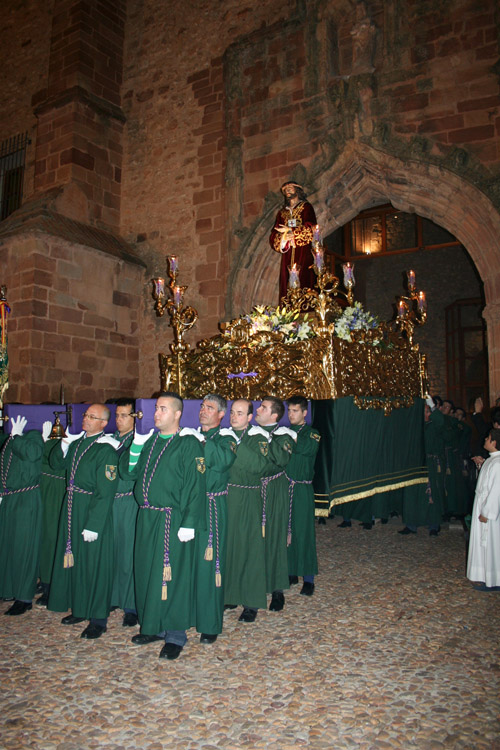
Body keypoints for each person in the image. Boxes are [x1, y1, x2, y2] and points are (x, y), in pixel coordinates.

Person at [122, 391, 206, 660]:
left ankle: (175, 634)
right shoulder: (149, 441)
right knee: (147, 573)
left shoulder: (188, 444)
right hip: (147, 517)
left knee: (173, 576)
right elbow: (127, 472)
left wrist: (190, 522)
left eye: (162, 409)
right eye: (155, 408)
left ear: (178, 414)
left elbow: (196, 485)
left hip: (173, 519)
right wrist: (135, 443)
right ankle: (153, 625)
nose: (156, 414)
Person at [47, 404, 118, 639]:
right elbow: (57, 465)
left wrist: (94, 524)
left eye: (92, 417)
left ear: (103, 423)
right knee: (75, 559)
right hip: (72, 508)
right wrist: (64, 444)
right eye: (85, 415)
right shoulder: (77, 444)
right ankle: (79, 607)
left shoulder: (106, 450)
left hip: (90, 511)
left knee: (95, 564)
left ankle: (98, 618)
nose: (85, 419)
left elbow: (105, 490)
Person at [193, 394, 237, 644]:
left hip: (211, 504)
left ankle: (210, 622)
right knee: (188, 562)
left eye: (210, 408)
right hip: (189, 504)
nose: (203, 411)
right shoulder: (192, 435)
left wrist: (202, 443)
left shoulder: (225, 438)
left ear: (221, 414)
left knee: (210, 565)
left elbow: (221, 462)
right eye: (202, 406)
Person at [224, 399, 272, 623]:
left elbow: (259, 466)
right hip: (227, 497)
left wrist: (237, 445)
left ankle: (251, 602)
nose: (234, 417)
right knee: (229, 546)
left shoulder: (258, 437)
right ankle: (230, 594)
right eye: (232, 412)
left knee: (249, 548)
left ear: (250, 417)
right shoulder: (225, 434)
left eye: (240, 413)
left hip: (247, 496)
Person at [255, 396, 296, 611]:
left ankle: (277, 590)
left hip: (273, 490)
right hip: (252, 490)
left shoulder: (285, 435)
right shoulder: (250, 433)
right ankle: (249, 587)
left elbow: (278, 460)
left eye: (263, 407)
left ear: (274, 415)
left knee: (275, 536)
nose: (258, 409)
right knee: (251, 538)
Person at [0, 415, 44, 615]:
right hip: (9, 498)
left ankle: (24, 597)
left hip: (26, 498)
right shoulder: (7, 436)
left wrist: (17, 437)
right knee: (7, 546)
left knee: (24, 548)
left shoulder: (33, 435)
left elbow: (33, 454)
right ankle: (8, 590)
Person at [285, 396, 320, 595]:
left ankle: (308, 577)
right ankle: (291, 571)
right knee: (286, 530)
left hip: (302, 488)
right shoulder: (286, 432)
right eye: (289, 410)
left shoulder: (311, 433)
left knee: (304, 531)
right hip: (286, 487)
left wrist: (291, 438)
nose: (291, 414)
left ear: (305, 412)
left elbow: (307, 448)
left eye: (295, 411)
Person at [110, 398, 139, 627]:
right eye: (117, 415)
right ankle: (112, 597)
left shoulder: (136, 441)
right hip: (110, 502)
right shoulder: (111, 439)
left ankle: (131, 604)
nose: (118, 420)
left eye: (124, 416)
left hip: (129, 501)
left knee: (129, 553)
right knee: (113, 551)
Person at [269, 181, 317, 300]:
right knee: (287, 284)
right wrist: (284, 237)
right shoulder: (282, 213)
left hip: (303, 251)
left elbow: (311, 227)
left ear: (297, 190)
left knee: (304, 279)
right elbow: (274, 234)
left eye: (290, 188)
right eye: (285, 190)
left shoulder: (306, 207)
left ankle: (305, 307)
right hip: (288, 253)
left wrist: (293, 232)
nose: (287, 191)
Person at [36, 421, 67, 607]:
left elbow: (56, 462)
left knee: (52, 538)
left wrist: (46, 443)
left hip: (58, 491)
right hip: (45, 491)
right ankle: (44, 579)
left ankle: (50, 583)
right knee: (43, 538)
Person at [466, 428, 500, 592]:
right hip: (482, 505)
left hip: (490, 512)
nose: (485, 440)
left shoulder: (498, 463)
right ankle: (484, 576)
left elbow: (496, 491)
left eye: (487, 438)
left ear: (494, 442)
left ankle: (494, 580)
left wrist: (487, 513)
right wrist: (481, 465)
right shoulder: (492, 460)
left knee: (492, 545)